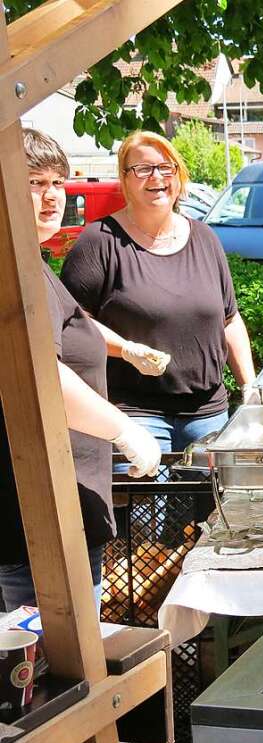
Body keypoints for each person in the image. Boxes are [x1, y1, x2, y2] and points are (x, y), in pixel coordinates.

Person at [0, 129, 161, 612]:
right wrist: (124, 429)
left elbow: (72, 320)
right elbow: (36, 372)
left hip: (66, 504)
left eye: (57, 181)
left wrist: (125, 347)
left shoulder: (32, 259)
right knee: (52, 673)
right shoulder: (11, 266)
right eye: (34, 182)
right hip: (39, 519)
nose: (52, 196)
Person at [62, 131, 258, 454]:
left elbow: (230, 320)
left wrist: (248, 386)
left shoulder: (205, 239)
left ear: (178, 177)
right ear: (125, 180)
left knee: (213, 506)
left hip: (208, 413)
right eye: (142, 169)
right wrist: (126, 349)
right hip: (135, 413)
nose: (156, 177)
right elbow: (72, 322)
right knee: (147, 505)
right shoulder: (99, 242)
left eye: (166, 168)